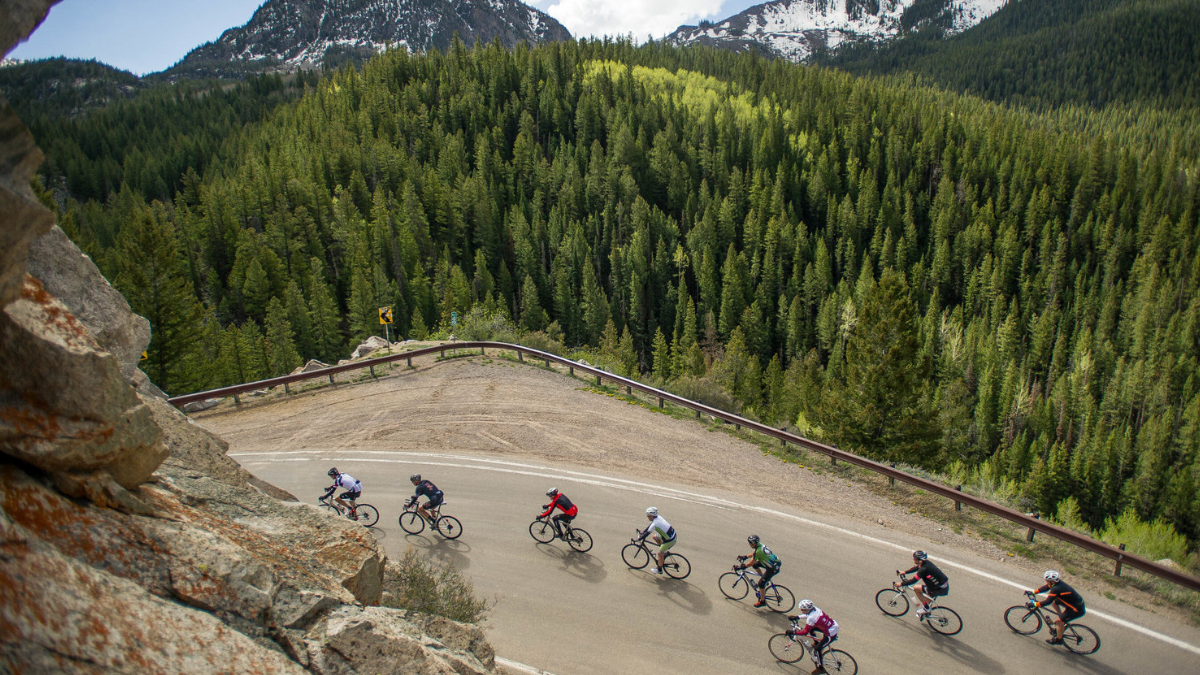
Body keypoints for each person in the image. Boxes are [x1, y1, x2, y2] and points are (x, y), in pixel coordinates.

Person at [1030, 570, 1086, 645]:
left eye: (1047, 580)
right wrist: (1033, 592)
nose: (1046, 581)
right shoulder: (1056, 583)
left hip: (1076, 609)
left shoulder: (1056, 589)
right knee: (1055, 602)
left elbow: (1047, 602)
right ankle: (1061, 620)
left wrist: (1034, 604)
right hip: (1074, 604)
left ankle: (1058, 640)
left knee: (1058, 621)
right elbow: (1046, 587)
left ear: (1051, 581)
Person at [787, 599, 839, 675]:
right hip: (831, 626)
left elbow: (805, 632)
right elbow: (808, 615)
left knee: (818, 649)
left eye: (802, 610)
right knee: (812, 629)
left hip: (830, 634)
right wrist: (797, 617)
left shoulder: (811, 618)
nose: (801, 611)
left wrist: (793, 632)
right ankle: (816, 643)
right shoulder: (815, 609)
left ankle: (821, 668)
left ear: (807, 609)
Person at [897, 550, 949, 618]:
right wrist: (905, 572)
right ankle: (925, 612)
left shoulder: (923, 570)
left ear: (920, 560)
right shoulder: (925, 563)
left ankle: (926, 609)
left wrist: (901, 584)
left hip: (939, 589)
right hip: (940, 586)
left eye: (915, 558)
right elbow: (916, 568)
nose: (913, 559)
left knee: (916, 588)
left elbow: (913, 580)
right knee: (926, 596)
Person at [736, 534, 781, 607]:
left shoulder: (759, 552)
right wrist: (745, 556)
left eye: (750, 543)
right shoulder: (760, 545)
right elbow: (754, 553)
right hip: (775, 562)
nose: (749, 544)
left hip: (772, 568)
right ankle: (764, 579)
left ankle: (762, 601)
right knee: (755, 565)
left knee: (760, 584)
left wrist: (742, 566)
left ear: (753, 544)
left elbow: (751, 562)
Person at [637, 507, 677, 574]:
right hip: (671, 535)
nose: (647, 517)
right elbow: (649, 527)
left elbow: (648, 533)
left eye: (648, 516)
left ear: (651, 516)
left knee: (659, 554)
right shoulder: (658, 517)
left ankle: (659, 570)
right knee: (655, 537)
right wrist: (643, 532)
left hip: (670, 540)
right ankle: (664, 553)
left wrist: (639, 538)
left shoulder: (655, 524)